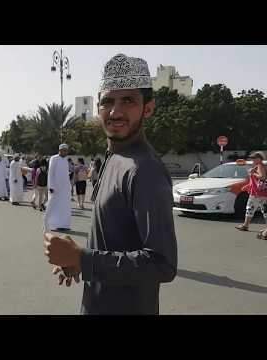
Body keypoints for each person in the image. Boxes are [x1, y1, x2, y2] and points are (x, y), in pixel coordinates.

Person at [43, 53, 178, 315]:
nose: (115, 112)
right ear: (98, 108)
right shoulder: (114, 158)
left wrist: (81, 258)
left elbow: (162, 264)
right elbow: (114, 240)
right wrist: (77, 262)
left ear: (147, 108)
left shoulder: (143, 169)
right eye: (107, 102)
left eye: (128, 100)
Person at [236, 152, 267, 234]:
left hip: (260, 193)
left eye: (254, 158)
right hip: (256, 192)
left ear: (259, 159)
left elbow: (262, 177)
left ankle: (246, 225)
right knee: (251, 208)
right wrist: (247, 186)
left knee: (260, 209)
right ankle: (245, 225)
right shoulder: (257, 166)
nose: (252, 160)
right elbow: (254, 181)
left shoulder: (260, 166)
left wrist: (253, 173)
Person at [44, 144, 71, 231]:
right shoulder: (54, 158)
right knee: (53, 205)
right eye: (63, 150)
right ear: (60, 150)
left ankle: (63, 225)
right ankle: (52, 224)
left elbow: (66, 174)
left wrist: (69, 186)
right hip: (55, 187)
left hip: (65, 188)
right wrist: (51, 186)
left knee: (64, 206)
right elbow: (51, 173)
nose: (65, 152)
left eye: (66, 150)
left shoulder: (66, 160)